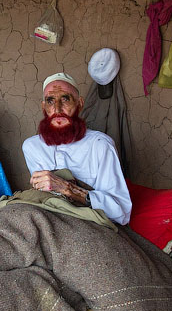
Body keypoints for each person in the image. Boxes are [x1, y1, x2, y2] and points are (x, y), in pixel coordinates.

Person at [22, 72, 132, 225]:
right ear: (43, 107)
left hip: (89, 226)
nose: (58, 108)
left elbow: (121, 213)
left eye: (65, 99)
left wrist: (68, 189)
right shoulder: (32, 146)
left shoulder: (100, 145)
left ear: (80, 104)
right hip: (49, 222)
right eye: (50, 101)